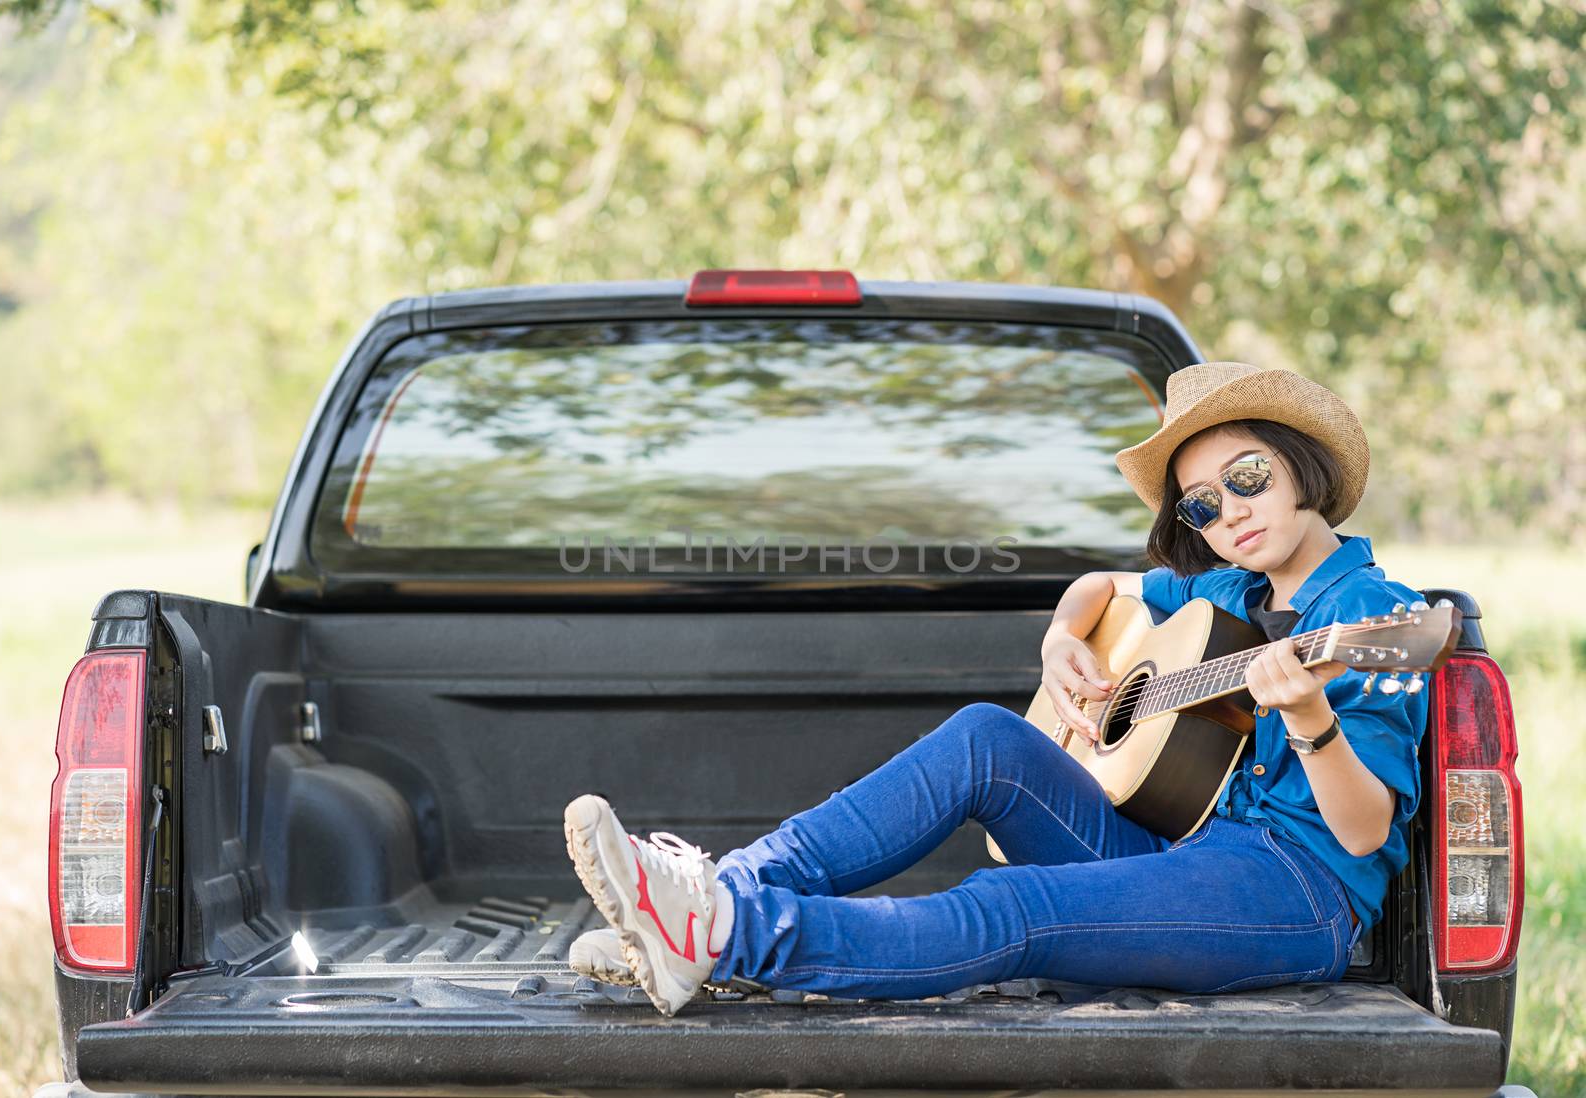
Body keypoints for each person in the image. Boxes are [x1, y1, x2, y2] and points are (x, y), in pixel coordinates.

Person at [562, 360, 1432, 1017]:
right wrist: (1060, 638)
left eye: (1246, 478)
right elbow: (1101, 589)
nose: (1230, 514)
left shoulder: (1370, 616)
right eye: (1201, 506)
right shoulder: (1230, 592)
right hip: (1188, 852)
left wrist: (1311, 718)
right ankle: (716, 894)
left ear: (1299, 465)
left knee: (1016, 904)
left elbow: (1364, 836)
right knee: (987, 736)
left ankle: (724, 937)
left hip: (1295, 892)